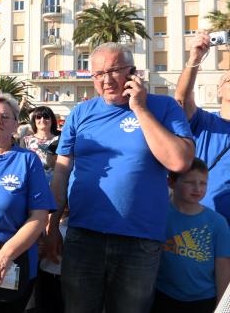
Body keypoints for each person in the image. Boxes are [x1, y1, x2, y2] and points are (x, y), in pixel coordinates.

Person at [47, 42, 194, 313]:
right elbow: (61, 172)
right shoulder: (80, 113)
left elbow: (180, 161)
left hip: (139, 241)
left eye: (114, 70)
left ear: (132, 72)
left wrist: (140, 109)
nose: (106, 80)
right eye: (98, 74)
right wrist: (53, 224)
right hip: (83, 235)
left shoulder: (163, 107)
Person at [0, 94, 55, 313]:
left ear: (15, 125)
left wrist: (3, 256)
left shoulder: (28, 160)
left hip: (13, 265)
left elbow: (39, 218)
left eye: (5, 116)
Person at [153, 158, 230, 312]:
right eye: (190, 182)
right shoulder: (158, 215)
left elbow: (223, 268)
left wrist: (221, 308)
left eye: (203, 183)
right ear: (171, 182)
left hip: (203, 301)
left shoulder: (218, 223)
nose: (197, 188)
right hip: (162, 296)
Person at [175, 29, 230, 221]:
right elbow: (181, 99)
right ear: (219, 91)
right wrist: (195, 57)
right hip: (203, 223)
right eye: (229, 79)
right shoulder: (204, 121)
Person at [20, 106, 60, 183]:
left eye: (46, 117)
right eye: (38, 117)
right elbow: (22, 165)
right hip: (33, 183)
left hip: (56, 184)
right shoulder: (26, 140)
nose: (42, 120)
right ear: (34, 121)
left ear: (52, 120)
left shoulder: (61, 139)